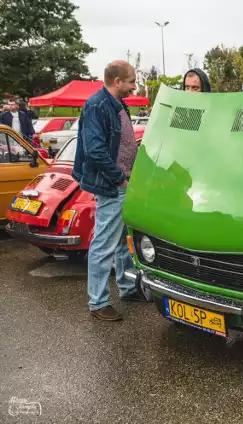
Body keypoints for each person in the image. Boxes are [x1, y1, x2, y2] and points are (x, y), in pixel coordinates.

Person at [72, 60, 148, 321]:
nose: (133, 86)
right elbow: (94, 151)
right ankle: (98, 302)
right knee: (104, 243)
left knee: (123, 243)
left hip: (123, 185)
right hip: (113, 186)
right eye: (131, 81)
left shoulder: (116, 104)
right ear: (117, 82)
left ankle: (127, 288)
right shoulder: (97, 105)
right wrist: (119, 179)